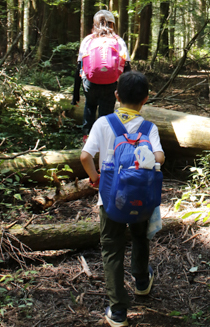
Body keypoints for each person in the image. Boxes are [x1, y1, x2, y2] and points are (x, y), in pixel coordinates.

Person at [80, 70, 165, 327]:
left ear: (116, 95)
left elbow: (85, 156)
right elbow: (159, 158)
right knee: (140, 237)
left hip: (110, 198)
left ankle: (117, 310)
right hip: (141, 197)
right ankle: (141, 281)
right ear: (146, 99)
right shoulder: (149, 127)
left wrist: (95, 178)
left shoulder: (103, 123)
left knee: (112, 249)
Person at [72, 10, 130, 141]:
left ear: (95, 24)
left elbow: (79, 67)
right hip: (111, 83)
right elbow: (127, 68)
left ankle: (87, 138)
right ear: (112, 25)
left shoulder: (88, 40)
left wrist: (75, 95)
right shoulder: (118, 40)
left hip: (90, 82)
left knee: (90, 106)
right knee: (106, 113)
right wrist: (126, 95)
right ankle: (103, 141)